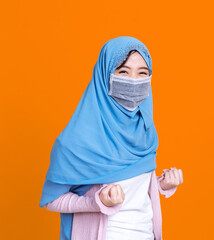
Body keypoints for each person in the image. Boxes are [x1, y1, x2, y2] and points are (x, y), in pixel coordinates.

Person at [39, 36, 184, 240]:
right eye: (123, 71)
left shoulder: (145, 131)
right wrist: (97, 202)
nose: (134, 81)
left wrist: (162, 185)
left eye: (142, 73)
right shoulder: (72, 142)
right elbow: (52, 200)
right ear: (105, 75)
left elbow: (136, 187)